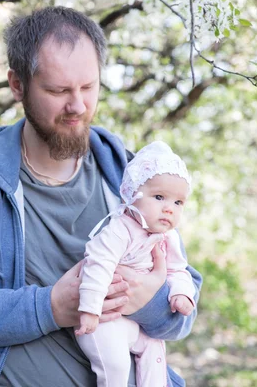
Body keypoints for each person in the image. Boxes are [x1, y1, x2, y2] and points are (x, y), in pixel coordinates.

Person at [0, 6, 202, 387]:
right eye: (58, 90)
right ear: (17, 85)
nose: (77, 106)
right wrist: (48, 307)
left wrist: (146, 299)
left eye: (88, 87)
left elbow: (183, 310)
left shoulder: (134, 180)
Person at [74, 141, 197, 387]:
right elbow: (98, 265)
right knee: (116, 367)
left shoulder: (167, 236)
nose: (169, 209)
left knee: (155, 352)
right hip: (104, 321)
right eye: (159, 197)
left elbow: (177, 270)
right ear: (132, 195)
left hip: (135, 325)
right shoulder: (120, 229)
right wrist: (89, 309)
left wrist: (181, 294)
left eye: (178, 203)